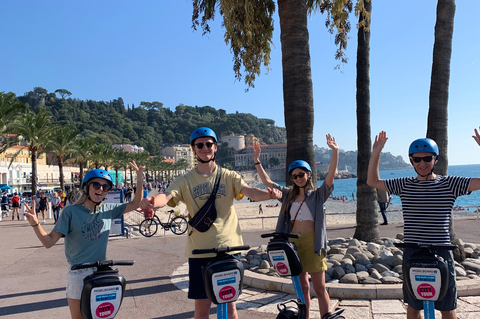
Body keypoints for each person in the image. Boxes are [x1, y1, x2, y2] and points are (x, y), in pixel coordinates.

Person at [139, 127, 281, 319]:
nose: (205, 148)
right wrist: (153, 202)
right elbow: (167, 196)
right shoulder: (185, 180)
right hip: (200, 252)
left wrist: (269, 194)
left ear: (215, 148)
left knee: (230, 307)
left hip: (229, 248)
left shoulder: (229, 176)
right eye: (200, 145)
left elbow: (250, 192)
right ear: (194, 149)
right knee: (202, 308)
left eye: (209, 144)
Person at [367, 130, 480, 319]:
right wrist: (376, 152)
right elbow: (372, 181)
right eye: (417, 159)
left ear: (435, 159)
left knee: (447, 308)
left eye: (427, 158)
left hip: (442, 250)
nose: (422, 163)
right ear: (411, 161)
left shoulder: (449, 184)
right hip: (413, 250)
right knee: (413, 307)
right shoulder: (405, 184)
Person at [23, 162, 144, 319]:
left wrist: (139, 179)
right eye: (96, 185)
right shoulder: (71, 212)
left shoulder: (108, 210)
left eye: (105, 187)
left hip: (101, 272)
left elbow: (135, 204)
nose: (100, 189)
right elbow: (49, 242)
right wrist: (35, 223)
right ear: (86, 186)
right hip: (78, 274)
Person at [253, 134, 339, 319]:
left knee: (320, 287)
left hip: (313, 244)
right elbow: (268, 183)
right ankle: (304, 317)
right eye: (294, 176)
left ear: (308, 174)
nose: (298, 178)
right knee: (303, 287)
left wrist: (335, 153)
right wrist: (257, 161)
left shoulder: (317, 195)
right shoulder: (288, 195)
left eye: (301, 174)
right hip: (293, 245)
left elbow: (330, 178)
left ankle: (326, 316)